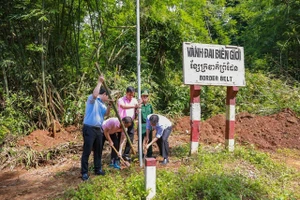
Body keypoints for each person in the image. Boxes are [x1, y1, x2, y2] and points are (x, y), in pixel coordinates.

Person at [81, 76, 111, 181]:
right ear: (104, 94)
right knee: (87, 151)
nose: (107, 98)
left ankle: (97, 169)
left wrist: (109, 106)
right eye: (107, 96)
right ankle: (84, 172)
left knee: (98, 151)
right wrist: (99, 82)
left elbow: (106, 114)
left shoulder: (102, 105)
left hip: (99, 129)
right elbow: (95, 94)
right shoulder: (92, 99)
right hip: (89, 128)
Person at [117, 86, 140, 161]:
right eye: (129, 95)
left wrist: (137, 110)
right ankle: (118, 154)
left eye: (132, 95)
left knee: (130, 138)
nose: (131, 97)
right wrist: (134, 106)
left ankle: (126, 154)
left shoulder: (134, 100)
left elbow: (137, 109)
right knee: (121, 138)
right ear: (126, 93)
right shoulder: (121, 100)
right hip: (123, 122)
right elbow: (123, 106)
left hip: (131, 122)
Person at [140, 89, 153, 157]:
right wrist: (139, 104)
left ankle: (149, 154)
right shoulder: (139, 106)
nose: (145, 98)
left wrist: (152, 126)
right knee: (140, 140)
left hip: (149, 125)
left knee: (149, 139)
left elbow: (152, 115)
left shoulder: (150, 106)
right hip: (141, 125)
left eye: (146, 96)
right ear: (141, 97)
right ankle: (140, 154)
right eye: (143, 96)